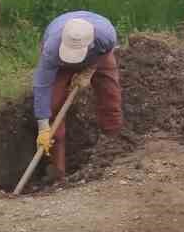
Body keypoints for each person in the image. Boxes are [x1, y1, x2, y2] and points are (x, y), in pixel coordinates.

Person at [32, 10, 122, 178]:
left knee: (110, 94)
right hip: (60, 61)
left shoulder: (105, 35)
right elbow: (42, 85)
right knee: (52, 105)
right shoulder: (51, 49)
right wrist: (43, 126)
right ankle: (58, 170)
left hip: (96, 57)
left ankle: (113, 147)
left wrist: (89, 71)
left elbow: (106, 52)